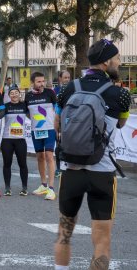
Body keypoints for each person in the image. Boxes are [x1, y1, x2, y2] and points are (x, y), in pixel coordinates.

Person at [54, 39, 131, 270]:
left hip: (71, 171)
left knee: (64, 233)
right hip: (103, 173)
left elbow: (57, 124)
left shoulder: (68, 88)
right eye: (117, 58)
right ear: (106, 61)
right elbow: (120, 125)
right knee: (102, 241)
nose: (120, 61)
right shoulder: (120, 95)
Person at [25, 72, 57, 200]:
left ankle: (51, 188)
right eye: (39, 81)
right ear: (33, 82)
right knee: (39, 157)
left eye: (43, 81)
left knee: (49, 156)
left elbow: (57, 110)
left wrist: (57, 125)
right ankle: (43, 184)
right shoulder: (28, 96)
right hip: (36, 130)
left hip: (49, 129)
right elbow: (27, 113)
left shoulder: (50, 93)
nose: (42, 83)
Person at [1, 86, 29, 196]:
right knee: (7, 164)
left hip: (20, 140)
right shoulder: (6, 106)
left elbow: (33, 114)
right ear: (9, 95)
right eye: (11, 93)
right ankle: (7, 188)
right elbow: (0, 115)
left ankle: (24, 188)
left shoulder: (24, 105)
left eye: (16, 92)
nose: (14, 95)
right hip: (7, 139)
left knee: (22, 164)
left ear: (19, 94)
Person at [54, 70, 71, 180]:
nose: (67, 80)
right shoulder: (55, 90)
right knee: (59, 146)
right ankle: (58, 168)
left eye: (69, 77)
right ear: (60, 78)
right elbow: (55, 108)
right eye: (65, 77)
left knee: (70, 145)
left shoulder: (73, 89)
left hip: (71, 122)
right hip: (59, 121)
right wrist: (57, 124)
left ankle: (69, 167)